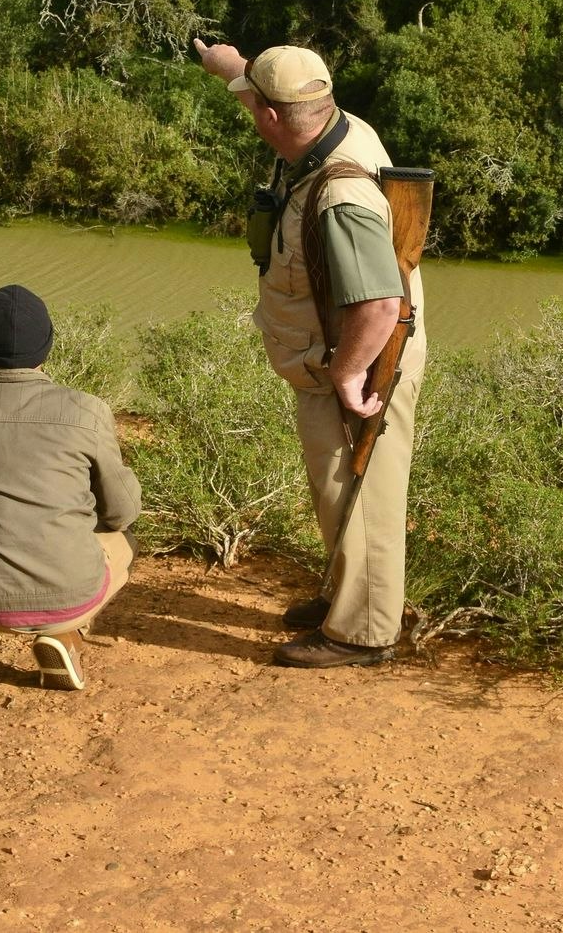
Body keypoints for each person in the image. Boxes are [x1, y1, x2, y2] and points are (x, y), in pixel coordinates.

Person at [190, 38, 415, 670]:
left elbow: (379, 305)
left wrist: (347, 373)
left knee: (358, 492)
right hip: (336, 355)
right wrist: (226, 66)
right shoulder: (329, 124)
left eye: (253, 103)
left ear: (271, 117)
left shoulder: (341, 198)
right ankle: (347, 595)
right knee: (336, 488)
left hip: (361, 361)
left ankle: (362, 633)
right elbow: (264, 90)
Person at [0, 285, 140, 689]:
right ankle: (66, 635)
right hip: (70, 595)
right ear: (48, 346)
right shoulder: (86, 410)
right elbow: (122, 512)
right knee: (125, 539)